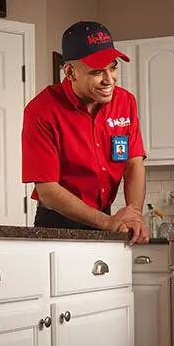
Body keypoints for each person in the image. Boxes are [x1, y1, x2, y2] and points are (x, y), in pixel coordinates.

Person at [22, 20, 149, 245]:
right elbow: (47, 190)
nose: (109, 80)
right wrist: (107, 222)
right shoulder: (41, 111)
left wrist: (133, 216)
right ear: (70, 72)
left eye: (113, 67)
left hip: (106, 219)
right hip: (57, 222)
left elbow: (133, 164)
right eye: (97, 72)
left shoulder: (125, 102)